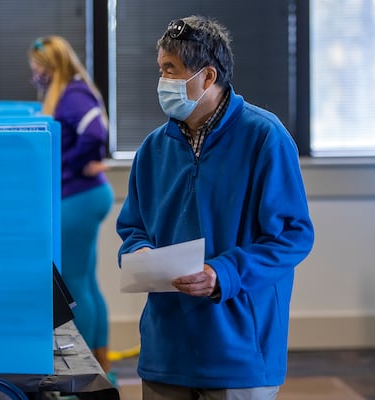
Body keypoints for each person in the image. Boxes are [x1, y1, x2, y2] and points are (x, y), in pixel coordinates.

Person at [116, 15, 315, 400]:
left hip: (239, 354)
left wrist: (222, 273)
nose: (161, 82)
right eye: (161, 69)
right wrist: (137, 251)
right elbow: (133, 227)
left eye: (170, 70)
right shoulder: (153, 149)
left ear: (207, 77)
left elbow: (293, 237)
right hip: (166, 352)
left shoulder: (265, 138)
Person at [28, 36, 115, 374]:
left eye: (38, 67)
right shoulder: (68, 91)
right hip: (84, 195)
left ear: (53, 67)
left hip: (80, 195)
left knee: (76, 284)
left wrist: (71, 165)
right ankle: (100, 369)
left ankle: (86, 371)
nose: (34, 73)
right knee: (87, 283)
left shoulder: (73, 93)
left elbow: (95, 133)